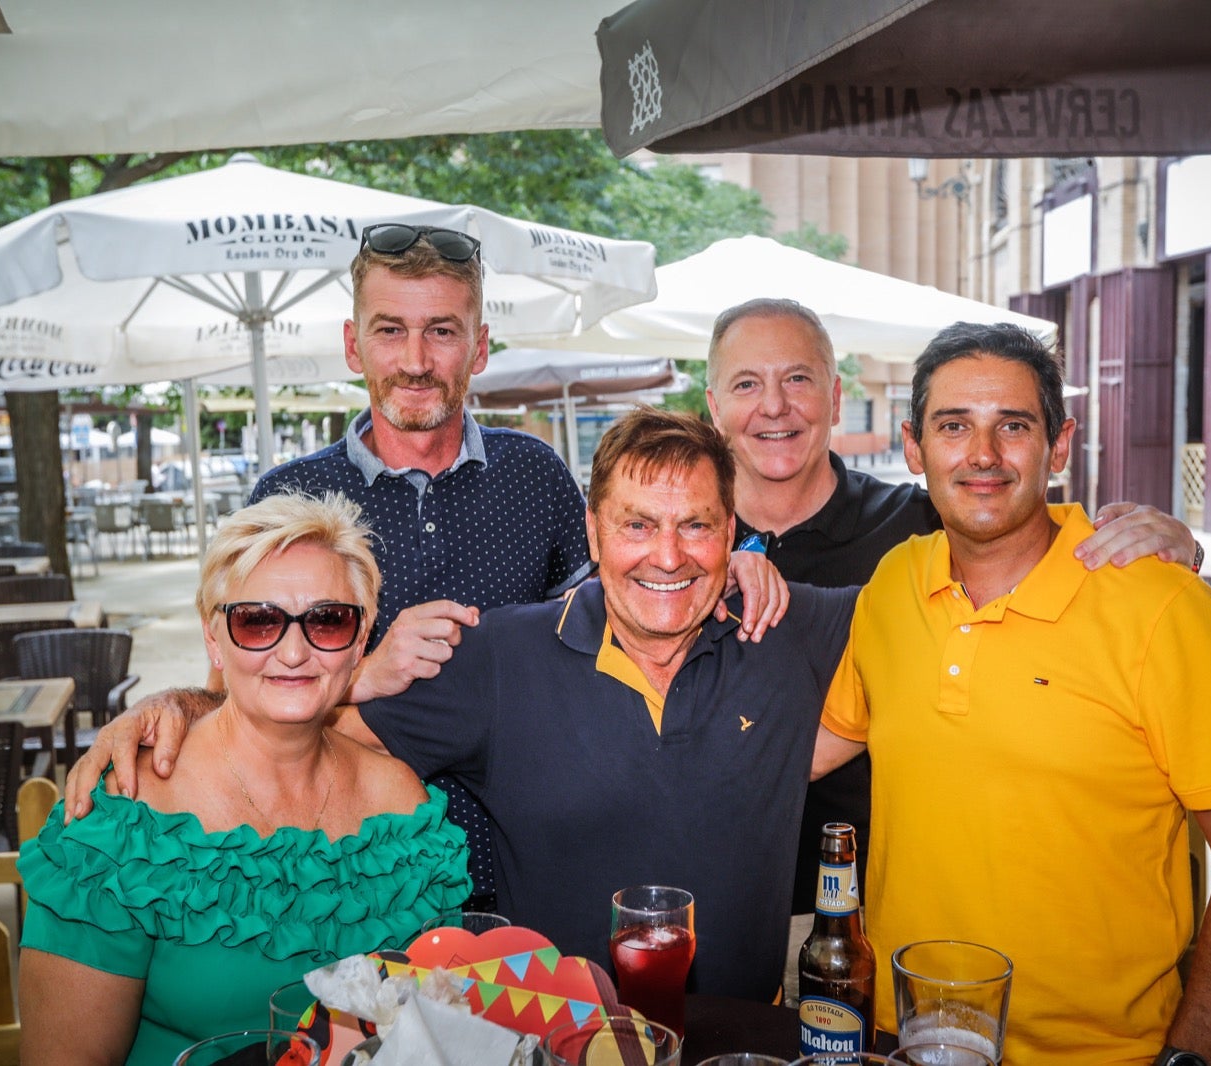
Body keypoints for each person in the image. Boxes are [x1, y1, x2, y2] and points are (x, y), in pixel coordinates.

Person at [80, 408, 859, 1005]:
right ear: (592, 530)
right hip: (551, 1041)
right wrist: (182, 707)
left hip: (737, 1040)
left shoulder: (789, 631)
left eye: (696, 526)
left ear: (733, 534)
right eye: (637, 524)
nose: (667, 554)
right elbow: (303, 727)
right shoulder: (497, 656)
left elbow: (945, 604)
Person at [123, 223, 784, 911]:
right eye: (389, 331)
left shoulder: (536, 475)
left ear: (480, 347)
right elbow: (232, 700)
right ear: (354, 345)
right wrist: (361, 673)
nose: (415, 360)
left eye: (441, 331)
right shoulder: (287, 501)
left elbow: (623, 614)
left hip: (529, 888)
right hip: (350, 885)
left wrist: (723, 564)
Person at [813, 322, 1211, 1065]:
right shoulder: (892, 586)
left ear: (1060, 446)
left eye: (1013, 426)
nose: (982, 455)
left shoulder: (1160, 609)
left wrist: (1189, 1058)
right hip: (898, 1039)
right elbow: (815, 749)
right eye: (954, 427)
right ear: (915, 448)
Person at [703, 297, 1201, 914]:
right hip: (718, 897)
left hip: (879, 914)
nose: (774, 405)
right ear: (714, 406)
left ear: (834, 399)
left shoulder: (925, 530)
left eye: (798, 379)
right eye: (747, 383)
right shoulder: (674, 546)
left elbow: (1042, 543)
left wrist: (1176, 548)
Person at [19, 493, 470, 1066]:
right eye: (258, 621)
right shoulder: (123, 813)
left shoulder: (403, 807)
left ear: (361, 639)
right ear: (214, 637)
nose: (293, 651)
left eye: (328, 620)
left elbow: (436, 1025)